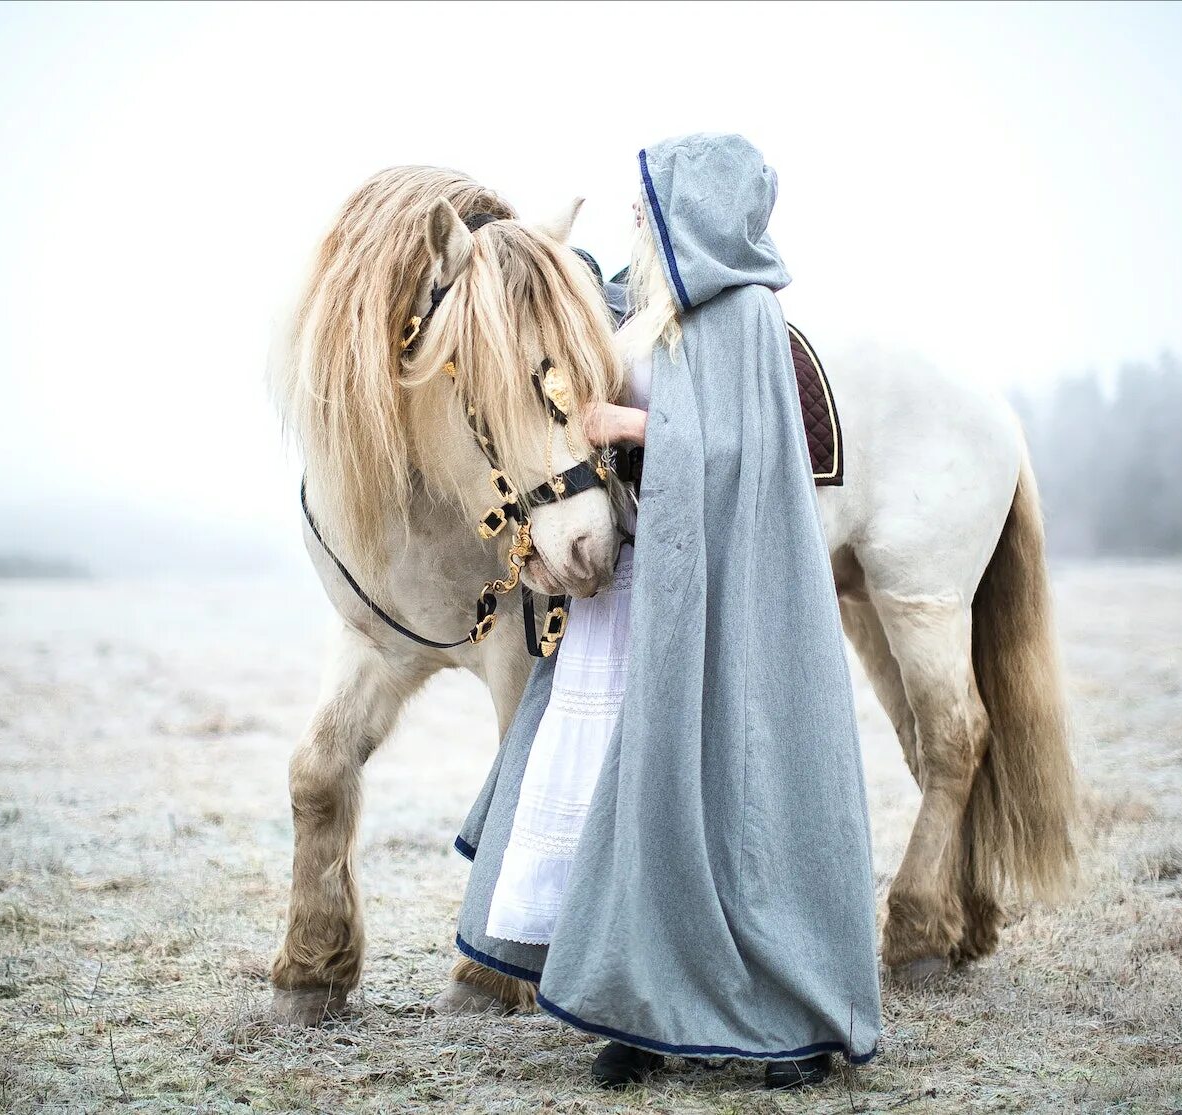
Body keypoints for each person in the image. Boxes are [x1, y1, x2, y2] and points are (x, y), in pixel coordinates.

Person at [454, 133, 882, 1091]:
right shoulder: (645, 315)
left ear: (700, 214)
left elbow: (742, 456)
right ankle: (634, 1012)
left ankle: (790, 1016)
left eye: (655, 206)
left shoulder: (742, 319)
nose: (641, 222)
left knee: (730, 799)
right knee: (629, 801)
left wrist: (631, 425)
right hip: (639, 592)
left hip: (716, 599)